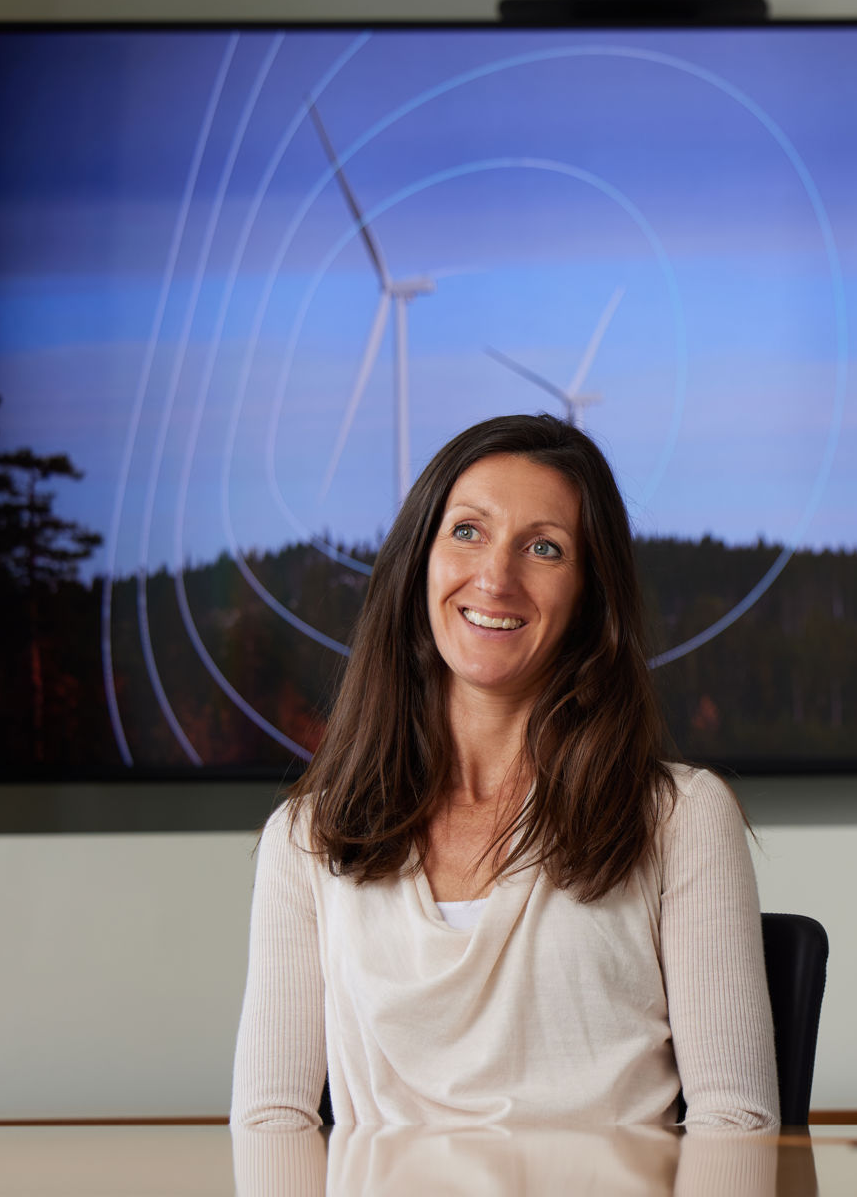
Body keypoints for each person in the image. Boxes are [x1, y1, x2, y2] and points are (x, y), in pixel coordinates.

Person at [232, 414, 778, 1131]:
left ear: (588, 596)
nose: (495, 577)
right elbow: (270, 1123)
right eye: (467, 531)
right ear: (417, 563)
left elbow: (733, 1123)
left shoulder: (682, 818)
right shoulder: (305, 839)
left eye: (544, 548)